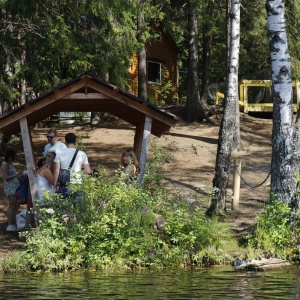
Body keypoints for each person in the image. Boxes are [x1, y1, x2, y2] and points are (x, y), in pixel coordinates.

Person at [53, 133, 91, 198]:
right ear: (75, 141)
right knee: (78, 206)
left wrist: (54, 185)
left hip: (65, 184)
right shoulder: (82, 154)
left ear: (65, 141)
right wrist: (77, 172)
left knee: (65, 207)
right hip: (78, 183)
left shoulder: (59, 153)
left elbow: (56, 171)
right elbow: (88, 171)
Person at [1, 149, 23, 231]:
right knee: (12, 205)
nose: (13, 159)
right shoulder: (4, 164)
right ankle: (9, 224)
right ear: (8, 156)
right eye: (12, 157)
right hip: (10, 188)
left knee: (16, 205)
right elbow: (6, 178)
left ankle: (14, 222)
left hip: (15, 186)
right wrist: (17, 174)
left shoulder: (10, 164)